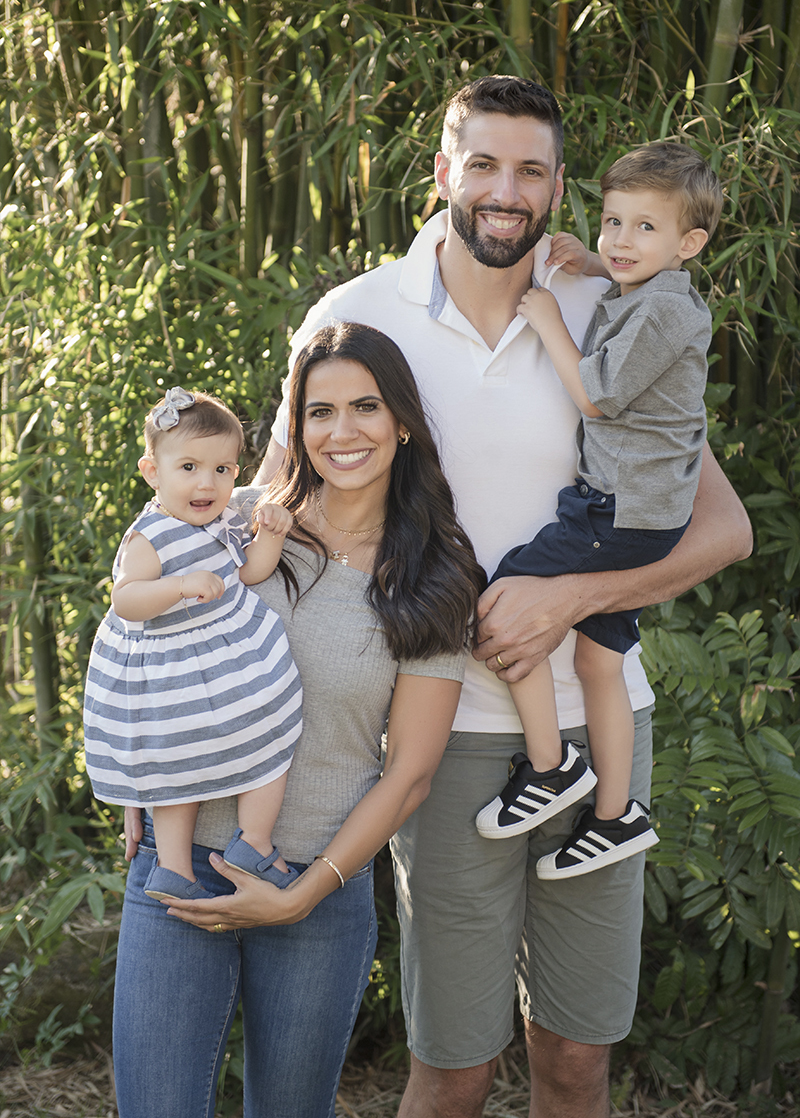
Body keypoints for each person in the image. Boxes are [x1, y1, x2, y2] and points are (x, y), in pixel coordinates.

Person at [250, 76, 751, 1118]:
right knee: (452, 1072)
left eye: (531, 171)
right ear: (444, 173)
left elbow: (721, 528)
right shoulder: (355, 317)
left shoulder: (610, 309)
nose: (505, 190)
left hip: (598, 729)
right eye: (482, 164)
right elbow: (272, 515)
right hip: (435, 738)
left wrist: (569, 600)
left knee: (574, 1063)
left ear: (559, 190)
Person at [114, 323, 485, 1118]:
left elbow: (411, 772)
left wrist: (304, 894)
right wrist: (140, 778)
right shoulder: (233, 519)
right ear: (297, 426)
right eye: (320, 412)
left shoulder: (436, 573)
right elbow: (141, 646)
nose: (342, 431)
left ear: (402, 421)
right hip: (179, 868)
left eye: (365, 407)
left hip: (313, 885)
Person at [475, 144, 724, 883]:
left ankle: (551, 765)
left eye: (644, 228)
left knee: (503, 601)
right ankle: (618, 815)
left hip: (617, 511)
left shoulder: (664, 310)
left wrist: (548, 318)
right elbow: (624, 278)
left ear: (689, 244)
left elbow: (597, 395)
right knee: (599, 661)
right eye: (613, 221)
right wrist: (592, 263)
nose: (620, 240)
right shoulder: (656, 289)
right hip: (648, 512)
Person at [83, 387, 303, 901]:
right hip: (172, 678)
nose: (207, 483)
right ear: (152, 472)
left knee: (270, 732)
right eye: (188, 468)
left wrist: (271, 533)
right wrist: (179, 586)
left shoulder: (224, 520)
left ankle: (254, 841)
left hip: (228, 668)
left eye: (222, 470)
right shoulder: (150, 536)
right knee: (174, 774)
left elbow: (250, 571)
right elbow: (126, 599)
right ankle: (174, 868)